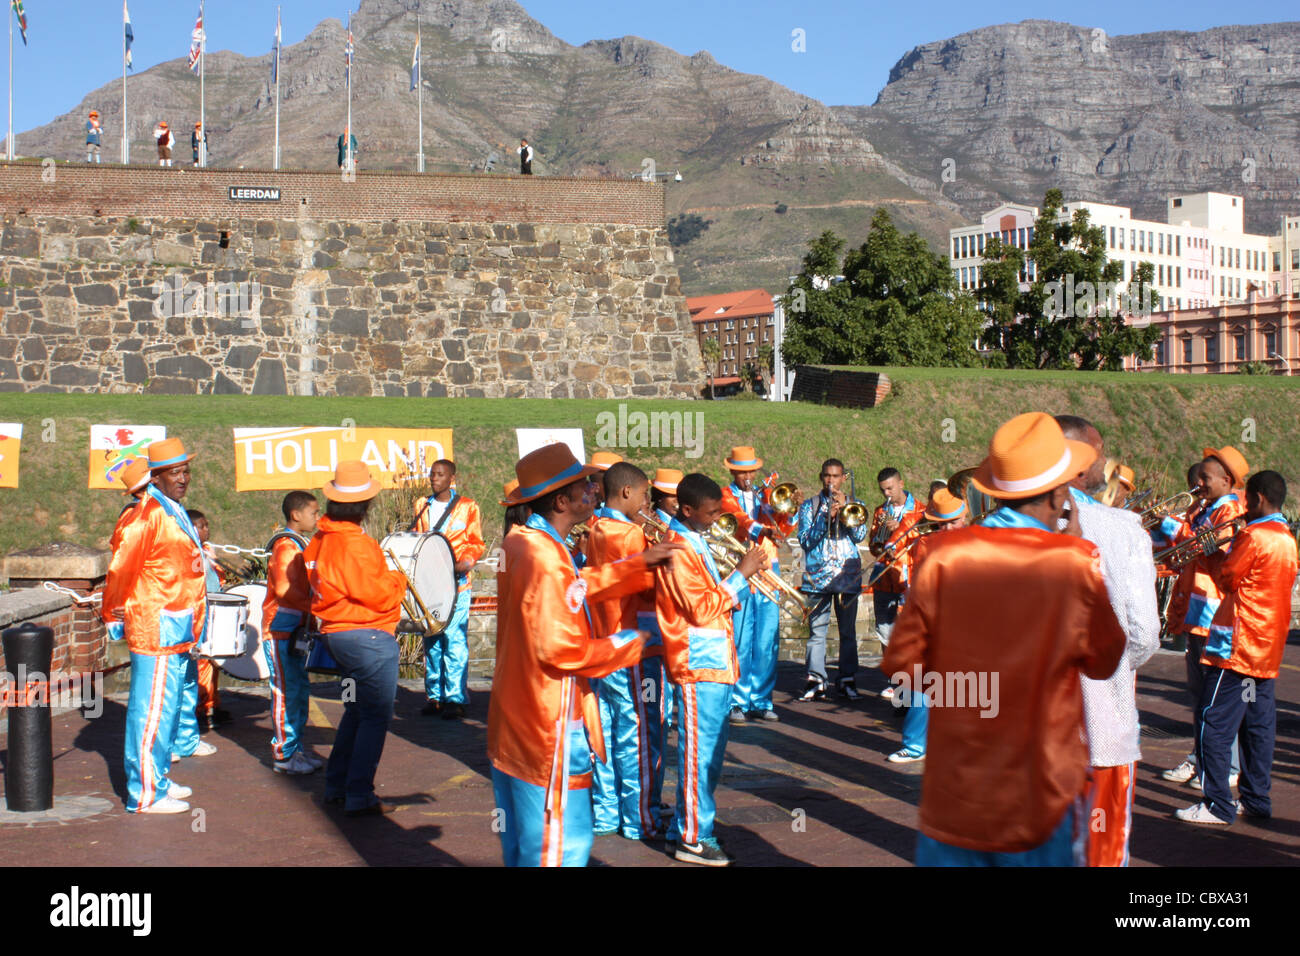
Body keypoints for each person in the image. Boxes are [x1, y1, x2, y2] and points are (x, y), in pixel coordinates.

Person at [883, 413, 1126, 865]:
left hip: (955, 792)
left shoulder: (942, 556)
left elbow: (902, 666)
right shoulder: (1074, 562)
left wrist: (972, 691)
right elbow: (1105, 660)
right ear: (1058, 493)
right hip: (1038, 790)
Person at [487, 443, 682, 866]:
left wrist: (637, 564)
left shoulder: (525, 542)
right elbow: (562, 649)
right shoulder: (542, 556)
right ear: (562, 500)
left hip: (518, 716)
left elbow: (574, 586)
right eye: (584, 486)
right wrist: (633, 644)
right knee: (560, 847)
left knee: (528, 847)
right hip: (547, 722)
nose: (594, 491)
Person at [1054, 415, 1161, 866]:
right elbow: (1142, 634)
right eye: (1097, 453)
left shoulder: (993, 533)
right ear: (1078, 462)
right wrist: (1112, 667)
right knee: (1102, 845)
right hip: (1100, 720)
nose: (1105, 463)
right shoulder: (1121, 528)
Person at [656, 473, 768, 865]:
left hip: (714, 661)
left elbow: (708, 600)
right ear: (687, 511)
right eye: (711, 512)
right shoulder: (676, 548)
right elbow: (700, 608)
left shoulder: (694, 541)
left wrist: (736, 582)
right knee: (698, 755)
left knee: (712, 753)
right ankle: (693, 836)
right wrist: (741, 573)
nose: (719, 518)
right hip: (696, 663)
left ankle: (683, 828)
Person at [1177, 470, 1297, 825]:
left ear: (1257, 499)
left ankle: (1217, 804)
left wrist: (1211, 554)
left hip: (1236, 646)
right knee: (1257, 726)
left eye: (1247, 501)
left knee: (1212, 721)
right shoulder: (1288, 538)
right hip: (1266, 648)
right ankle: (1256, 798)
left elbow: (1227, 578)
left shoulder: (1254, 535)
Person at [102, 438, 208, 813]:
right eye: (174, 473)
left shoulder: (171, 508)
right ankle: (145, 793)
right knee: (151, 712)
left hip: (176, 624)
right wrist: (114, 617)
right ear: (156, 477)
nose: (183, 478)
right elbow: (121, 570)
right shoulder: (146, 514)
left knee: (169, 707)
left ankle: (158, 777)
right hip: (155, 625)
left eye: (186, 471)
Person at [304, 461, 408, 816]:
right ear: (366, 505)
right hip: (368, 636)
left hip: (336, 635)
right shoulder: (356, 544)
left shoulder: (320, 539)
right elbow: (378, 594)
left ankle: (338, 784)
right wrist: (399, 580)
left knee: (355, 711)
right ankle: (359, 793)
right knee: (375, 717)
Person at [1161, 447, 1249, 788]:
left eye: (1205, 478)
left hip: (1213, 613)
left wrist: (1167, 522)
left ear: (1226, 481)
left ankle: (1224, 765)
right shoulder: (1205, 508)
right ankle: (1202, 757)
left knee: (1216, 697)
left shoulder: (1228, 509)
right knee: (1200, 696)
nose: (1197, 482)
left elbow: (1202, 547)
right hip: (1197, 609)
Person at [586, 461, 665, 840]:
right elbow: (647, 589)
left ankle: (605, 814)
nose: (648, 502)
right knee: (634, 734)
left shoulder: (594, 527)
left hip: (598, 643)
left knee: (601, 730)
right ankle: (639, 819)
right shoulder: (630, 534)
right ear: (627, 493)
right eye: (645, 493)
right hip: (627, 642)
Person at [885, 486, 968, 763]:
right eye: (944, 523)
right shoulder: (926, 544)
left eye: (955, 521)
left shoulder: (978, 542)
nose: (951, 527)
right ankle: (916, 745)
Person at [720, 446, 797, 723]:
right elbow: (739, 521)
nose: (747, 477)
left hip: (768, 569)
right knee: (741, 638)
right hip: (739, 570)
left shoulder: (766, 495)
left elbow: (782, 530)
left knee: (767, 640)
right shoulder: (725, 495)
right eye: (742, 473)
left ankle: (761, 700)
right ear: (733, 472)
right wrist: (761, 528)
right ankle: (737, 701)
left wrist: (788, 511)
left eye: (750, 471)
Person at [412, 459, 485, 720]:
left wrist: (465, 562)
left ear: (451, 478)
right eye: (432, 475)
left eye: (440, 475)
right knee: (431, 639)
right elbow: (416, 537)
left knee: (453, 640)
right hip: (429, 585)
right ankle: (435, 696)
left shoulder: (468, 507)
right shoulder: (422, 506)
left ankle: (455, 697)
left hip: (457, 584)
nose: (434, 479)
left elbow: (476, 542)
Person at [262, 490, 324, 775]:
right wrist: (319, 604)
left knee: (298, 691)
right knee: (286, 693)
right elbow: (286, 591)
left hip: (295, 629)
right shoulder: (287, 547)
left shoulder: (299, 544)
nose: (317, 517)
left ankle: (294, 749)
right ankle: (284, 755)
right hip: (281, 630)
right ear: (296, 515)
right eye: (314, 512)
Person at [796, 458, 867, 703]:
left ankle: (847, 679)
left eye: (836, 476)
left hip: (847, 578)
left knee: (848, 632)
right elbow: (805, 540)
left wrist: (846, 509)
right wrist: (827, 515)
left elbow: (859, 536)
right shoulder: (809, 506)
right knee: (817, 632)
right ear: (821, 477)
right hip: (817, 578)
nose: (831, 481)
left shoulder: (856, 504)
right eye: (827, 476)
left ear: (843, 478)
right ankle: (816, 680)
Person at [867, 467, 926, 657]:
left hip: (906, 578)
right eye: (883, 490)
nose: (886, 494)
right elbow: (873, 546)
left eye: (890, 489)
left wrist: (899, 529)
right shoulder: (880, 511)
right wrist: (880, 536)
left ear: (901, 484)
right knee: (885, 632)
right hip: (884, 579)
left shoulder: (921, 511)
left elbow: (922, 543)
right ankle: (892, 681)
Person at [186, 509, 231, 733]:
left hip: (211, 611)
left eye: (207, 525)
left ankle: (213, 702)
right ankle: (202, 709)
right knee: (203, 663)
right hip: (199, 616)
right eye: (201, 526)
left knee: (213, 663)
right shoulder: (192, 554)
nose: (207, 529)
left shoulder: (204, 551)